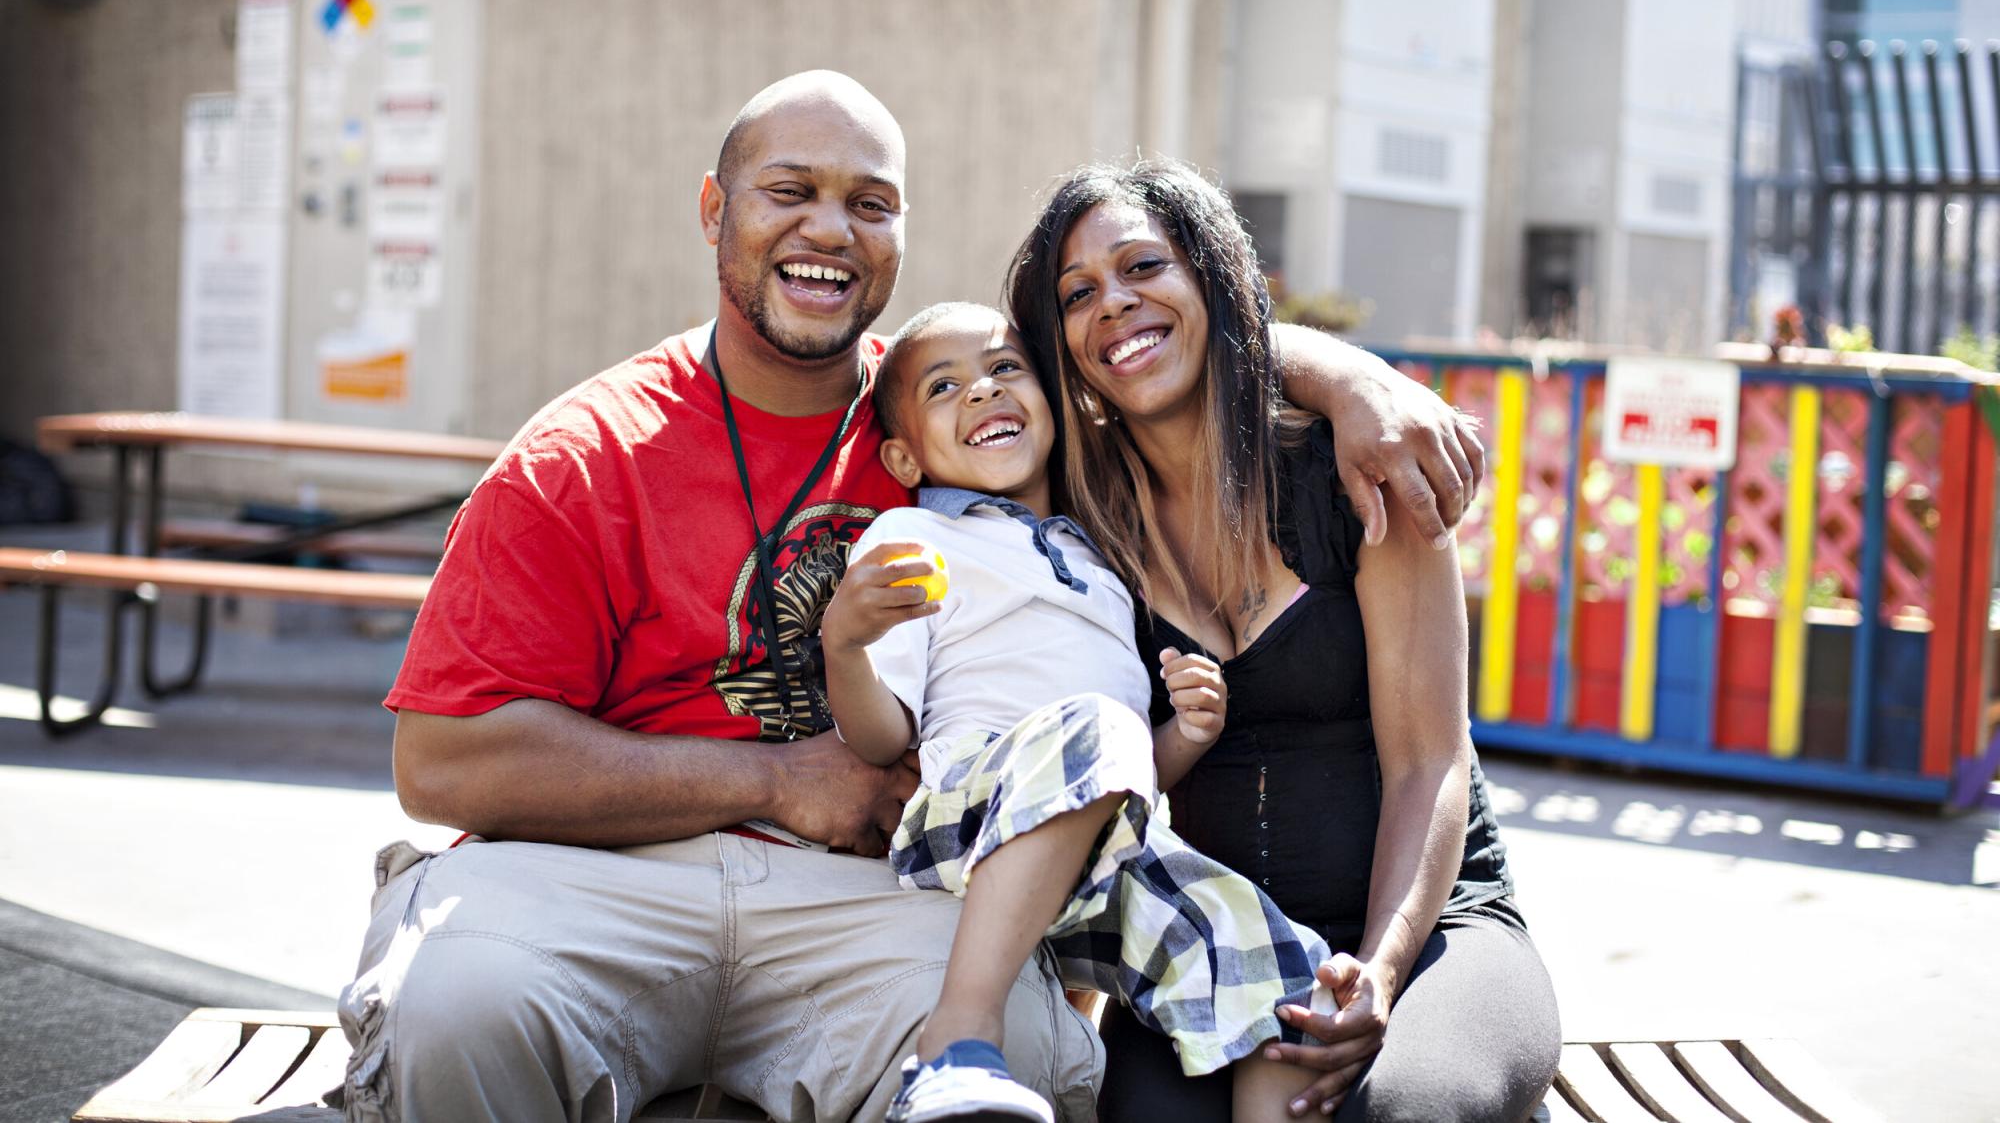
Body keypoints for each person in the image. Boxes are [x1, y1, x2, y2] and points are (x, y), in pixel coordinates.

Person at [338, 71, 1488, 1123]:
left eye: (869, 202)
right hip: (604, 882)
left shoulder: (947, 406)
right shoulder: (584, 453)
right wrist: (776, 780)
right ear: (712, 210)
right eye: (788, 190)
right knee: (460, 1006)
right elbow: (440, 761)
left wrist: (1349, 373)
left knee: (1027, 1057)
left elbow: (1148, 351)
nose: (828, 228)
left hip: (868, 899)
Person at [1005, 159, 1561, 1123]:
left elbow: (1432, 759)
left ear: (1210, 278)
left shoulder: (1357, 475)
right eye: (1079, 293)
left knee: (1393, 1112)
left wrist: (1382, 973)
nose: (1115, 305)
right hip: (1221, 947)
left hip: (1434, 930)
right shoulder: (1082, 524)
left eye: (1145, 267)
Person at [822, 302, 1335, 1123]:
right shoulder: (914, 538)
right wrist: (844, 646)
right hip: (970, 820)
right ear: (902, 452)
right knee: (1095, 727)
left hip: (1108, 857)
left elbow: (1122, 777)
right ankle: (956, 1039)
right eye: (945, 386)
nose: (983, 392)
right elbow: (885, 735)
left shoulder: (1099, 557)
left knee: (1289, 988)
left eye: (1004, 369)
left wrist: (1183, 737)